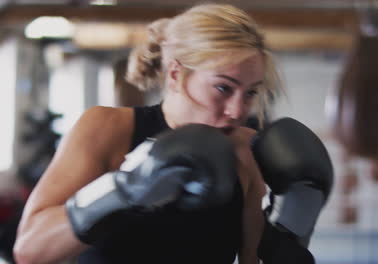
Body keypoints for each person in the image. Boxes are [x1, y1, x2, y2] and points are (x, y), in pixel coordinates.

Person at [13, 3, 281, 264]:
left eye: (250, 93)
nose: (237, 111)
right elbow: (30, 251)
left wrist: (296, 217)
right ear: (176, 74)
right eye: (223, 88)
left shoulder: (246, 151)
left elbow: (252, 259)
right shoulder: (107, 128)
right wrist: (124, 188)